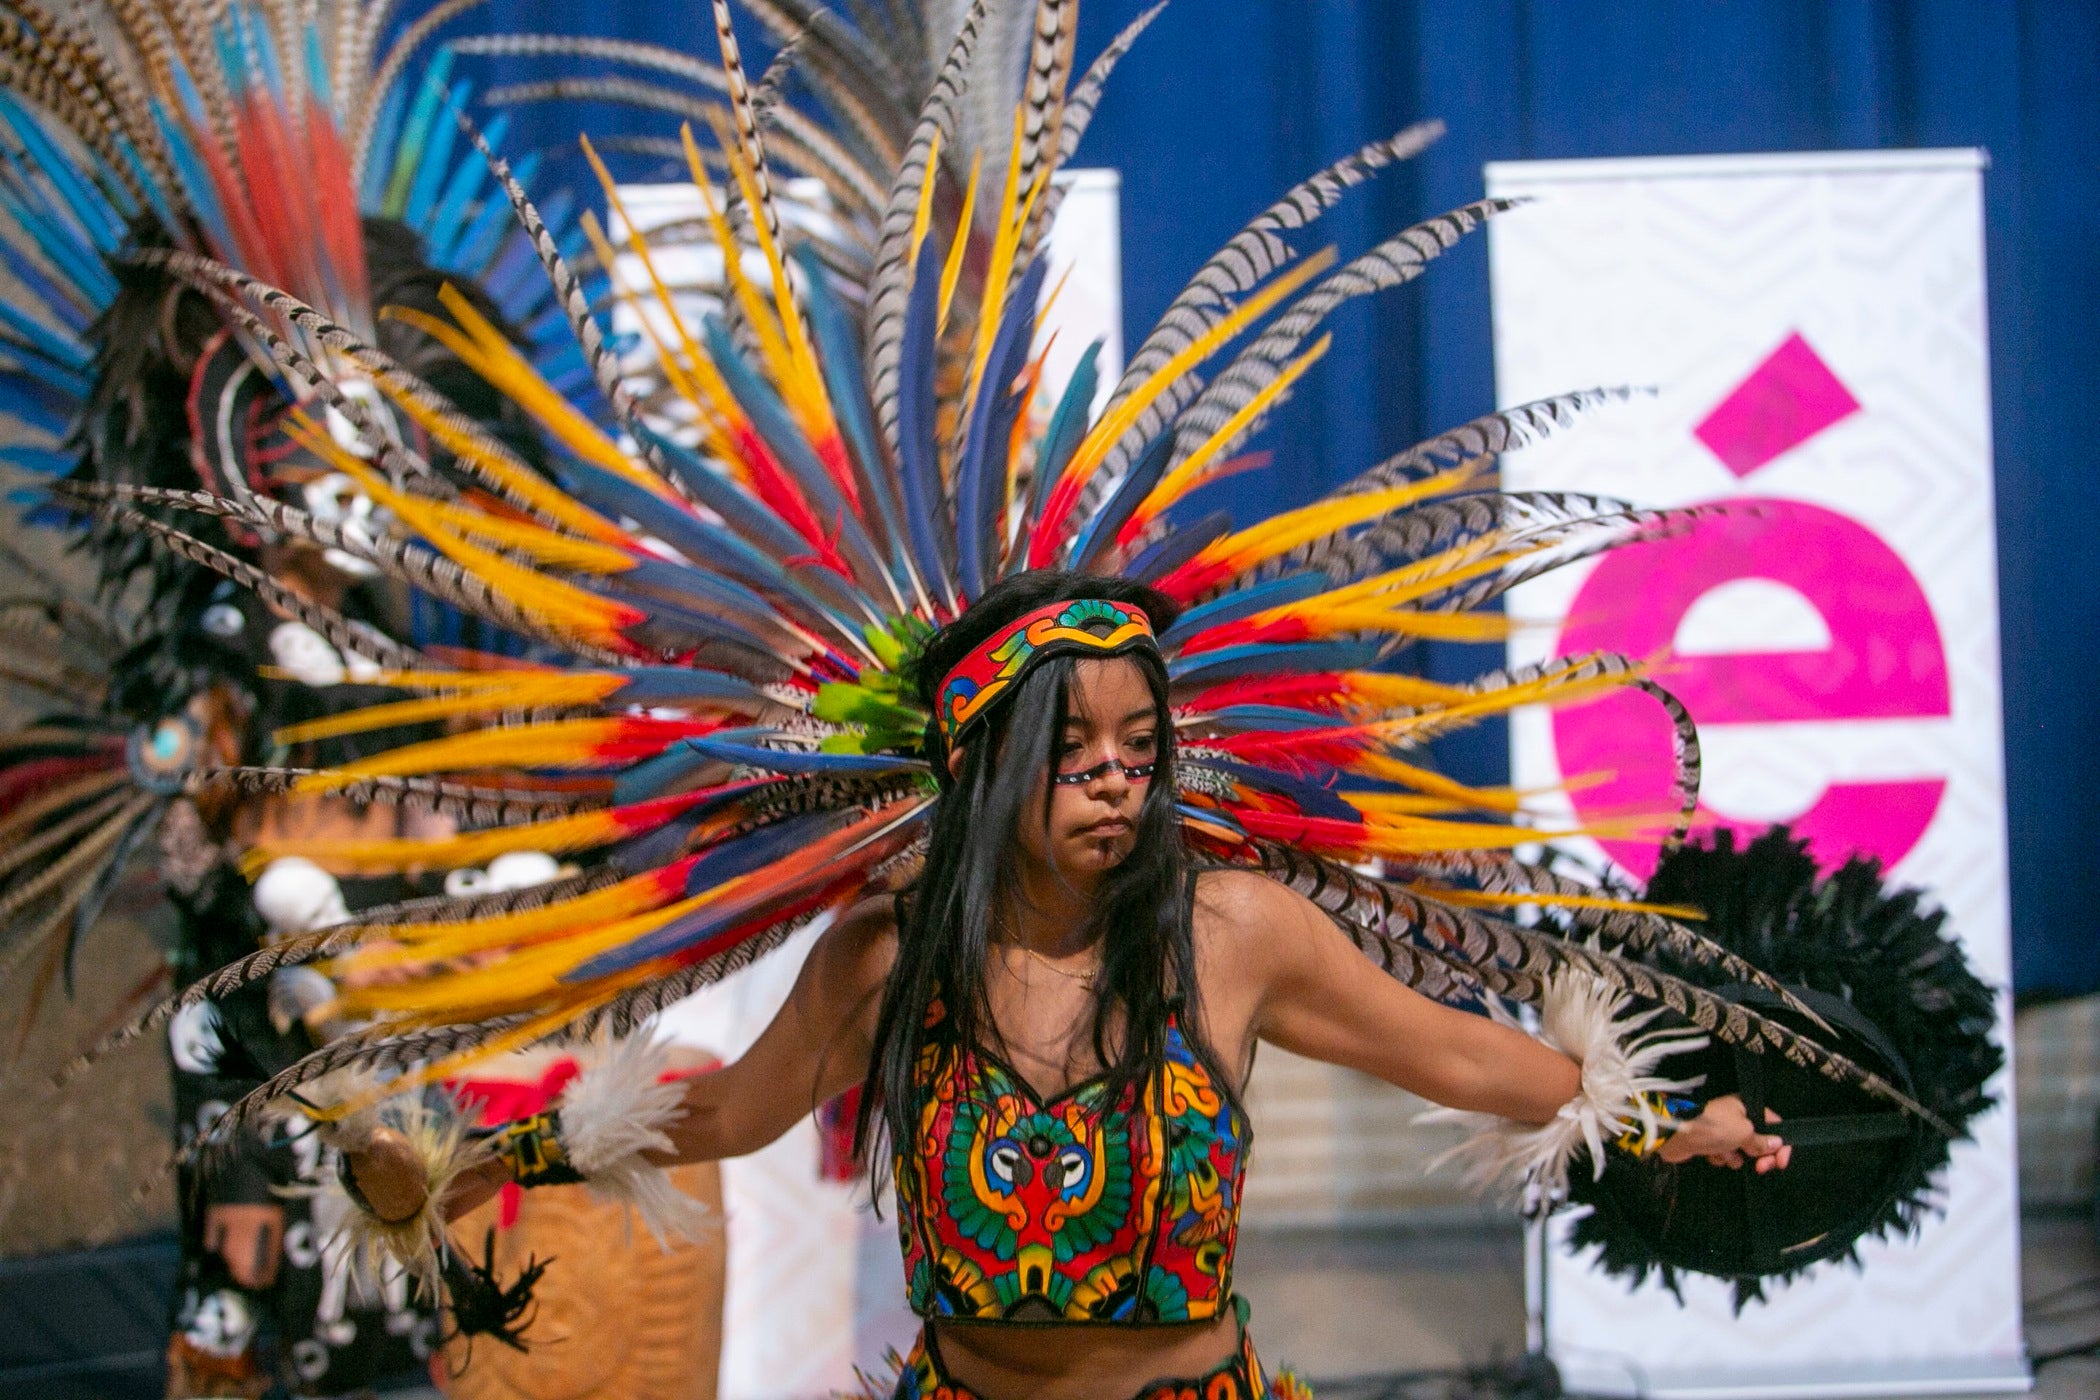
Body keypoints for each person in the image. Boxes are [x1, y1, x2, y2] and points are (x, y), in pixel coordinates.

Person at [344, 571, 1790, 1400]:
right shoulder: (885, 959)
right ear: (977, 763)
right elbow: (727, 1115)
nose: (1114, 778)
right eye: (1072, 745)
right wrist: (482, 1160)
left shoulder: (1236, 935)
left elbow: (1470, 1062)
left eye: (1139, 745)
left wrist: (1676, 1127)